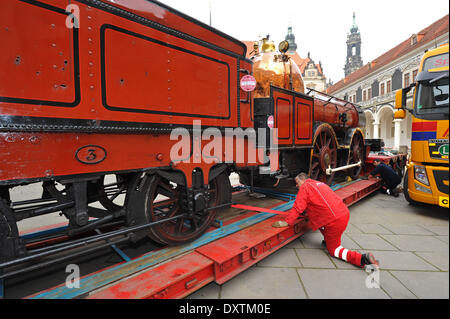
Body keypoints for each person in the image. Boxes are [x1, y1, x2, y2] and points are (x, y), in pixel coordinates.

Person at [274, 173, 378, 268]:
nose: (296, 186)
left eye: (297, 183)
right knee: (321, 224)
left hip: (333, 220)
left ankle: (362, 258)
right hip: (343, 214)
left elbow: (298, 206)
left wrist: (287, 221)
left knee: (334, 250)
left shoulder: (305, 187)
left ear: (303, 180)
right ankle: (329, 240)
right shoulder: (318, 184)